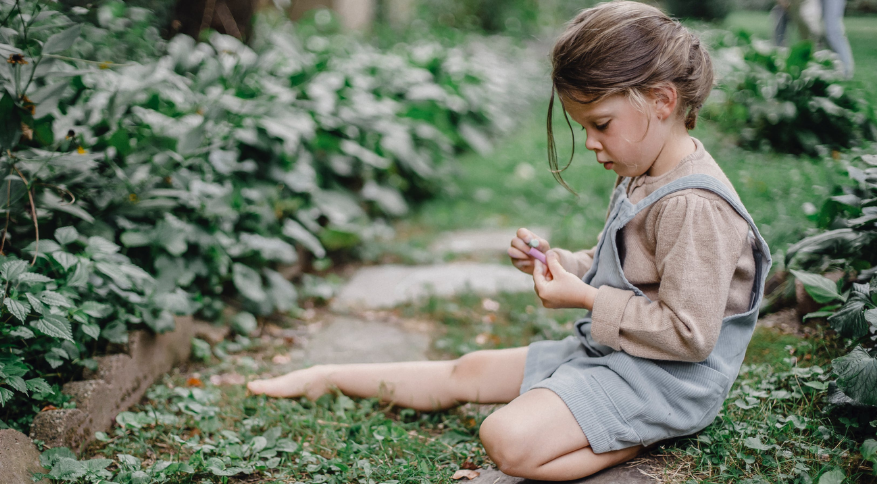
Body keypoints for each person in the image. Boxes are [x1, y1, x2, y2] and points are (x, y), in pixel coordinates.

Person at [247, 1, 772, 480]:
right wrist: (561, 262)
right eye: (583, 126)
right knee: (469, 371)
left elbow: (689, 334)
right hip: (618, 354)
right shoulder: (645, 169)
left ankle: (639, 436)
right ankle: (328, 374)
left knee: (505, 438)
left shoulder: (694, 206)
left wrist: (585, 298)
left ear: (661, 100)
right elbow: (627, 266)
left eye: (601, 123)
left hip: (667, 383)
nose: (590, 142)